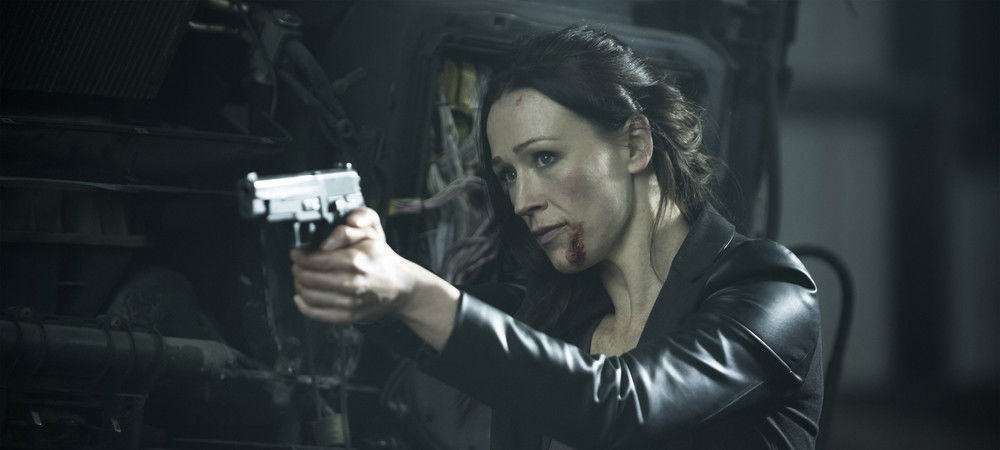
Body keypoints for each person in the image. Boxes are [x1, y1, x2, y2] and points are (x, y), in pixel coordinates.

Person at [290, 25, 823, 449]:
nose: (522, 200)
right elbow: (451, 338)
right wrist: (353, 269)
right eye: (507, 174)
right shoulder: (554, 319)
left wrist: (412, 290)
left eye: (545, 158)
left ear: (635, 145)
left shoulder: (770, 293)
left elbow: (621, 406)